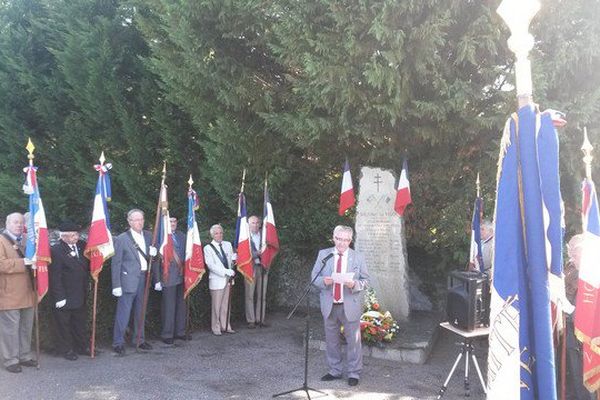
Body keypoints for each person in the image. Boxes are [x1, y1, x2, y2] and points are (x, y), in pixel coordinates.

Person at [311, 225, 369, 387]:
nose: (342, 243)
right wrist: (324, 281)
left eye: (345, 240)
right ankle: (335, 370)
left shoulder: (358, 257)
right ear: (333, 237)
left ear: (350, 240)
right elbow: (314, 277)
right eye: (339, 239)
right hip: (330, 304)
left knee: (353, 341)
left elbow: (366, 281)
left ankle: (354, 373)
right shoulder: (324, 254)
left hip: (350, 305)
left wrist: (354, 284)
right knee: (331, 340)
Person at [111, 209, 158, 355]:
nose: (139, 222)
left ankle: (139, 340)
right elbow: (116, 263)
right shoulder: (122, 238)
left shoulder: (150, 236)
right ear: (129, 222)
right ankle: (118, 342)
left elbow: (153, 260)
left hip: (144, 278)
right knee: (123, 313)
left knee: (141, 312)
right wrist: (116, 284)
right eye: (136, 220)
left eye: (141, 219)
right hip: (127, 280)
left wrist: (155, 256)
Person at [0, 212, 37, 373]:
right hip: (9, 293)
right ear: (7, 223)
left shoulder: (25, 240)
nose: (19, 225)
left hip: (28, 292)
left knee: (26, 327)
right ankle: (10, 360)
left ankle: (24, 355)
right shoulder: (1, 241)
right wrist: (24, 262)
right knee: (10, 329)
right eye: (15, 222)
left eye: (21, 223)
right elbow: (1, 264)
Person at [49, 221, 90, 360]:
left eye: (76, 235)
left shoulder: (82, 246)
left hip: (80, 292)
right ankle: (66, 350)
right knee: (64, 324)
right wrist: (59, 296)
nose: (75, 238)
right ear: (63, 237)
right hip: (65, 294)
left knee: (79, 322)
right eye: (72, 236)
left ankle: (82, 346)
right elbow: (55, 276)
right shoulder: (56, 250)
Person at [563, 234, 594, 400]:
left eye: (574, 254)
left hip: (590, 334)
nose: (571, 257)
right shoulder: (570, 270)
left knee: (590, 377)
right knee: (575, 374)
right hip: (571, 330)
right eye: (570, 253)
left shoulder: (593, 275)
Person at [154, 217, 188, 345]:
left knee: (181, 305)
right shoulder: (160, 237)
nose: (173, 224)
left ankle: (180, 332)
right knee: (169, 306)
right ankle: (167, 334)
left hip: (182, 274)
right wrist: (157, 279)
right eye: (170, 222)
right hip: (167, 276)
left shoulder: (182, 235)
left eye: (174, 222)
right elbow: (156, 260)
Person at [204, 224, 235, 336]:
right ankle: (216, 327)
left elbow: (230, 261)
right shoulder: (208, 248)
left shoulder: (228, 245)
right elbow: (211, 265)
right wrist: (226, 272)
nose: (219, 235)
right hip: (217, 280)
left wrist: (234, 261)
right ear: (212, 235)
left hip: (228, 279)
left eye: (221, 233)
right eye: (216, 233)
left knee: (226, 304)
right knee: (216, 306)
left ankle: (226, 325)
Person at [244, 215, 268, 328]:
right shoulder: (245, 237)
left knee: (262, 294)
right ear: (248, 224)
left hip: (263, 267)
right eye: (253, 223)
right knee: (250, 294)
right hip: (250, 267)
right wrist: (256, 254)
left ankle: (260, 318)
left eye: (257, 222)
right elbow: (242, 253)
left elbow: (269, 250)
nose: (255, 225)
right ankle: (251, 320)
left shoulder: (264, 236)